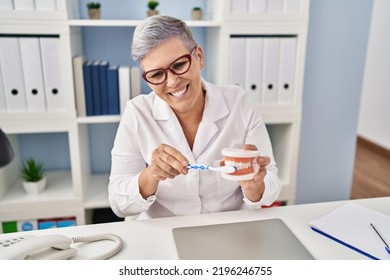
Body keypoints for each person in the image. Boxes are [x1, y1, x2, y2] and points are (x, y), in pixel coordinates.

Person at [108, 15, 281, 219]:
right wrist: (151, 174)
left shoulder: (239, 104)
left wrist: (255, 187)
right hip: (163, 233)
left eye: (179, 65)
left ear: (199, 56)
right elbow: (118, 203)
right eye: (156, 75)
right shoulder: (137, 113)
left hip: (228, 230)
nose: (172, 82)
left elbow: (271, 186)